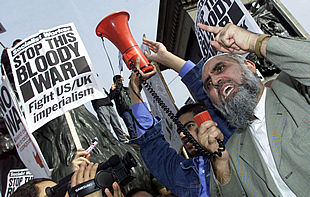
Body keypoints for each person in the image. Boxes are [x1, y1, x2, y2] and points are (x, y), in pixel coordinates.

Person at [143, 23, 310, 196]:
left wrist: (255, 42)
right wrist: (221, 167)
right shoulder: (233, 149)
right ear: (214, 103)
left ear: (250, 66)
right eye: (208, 84)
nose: (215, 81)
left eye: (221, 68)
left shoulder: (293, 90)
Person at [128, 60, 213, 197]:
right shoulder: (185, 175)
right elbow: (152, 144)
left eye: (189, 126)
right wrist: (134, 88)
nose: (182, 135)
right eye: (180, 130)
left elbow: (206, 88)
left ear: (208, 121)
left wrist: (165, 57)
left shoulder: (234, 144)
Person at [110, 75, 137, 139]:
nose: (120, 82)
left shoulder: (126, 89)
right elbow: (111, 96)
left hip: (132, 108)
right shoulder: (114, 90)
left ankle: (139, 135)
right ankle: (134, 138)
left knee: (136, 124)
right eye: (118, 80)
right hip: (124, 109)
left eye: (120, 80)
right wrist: (116, 87)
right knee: (130, 124)